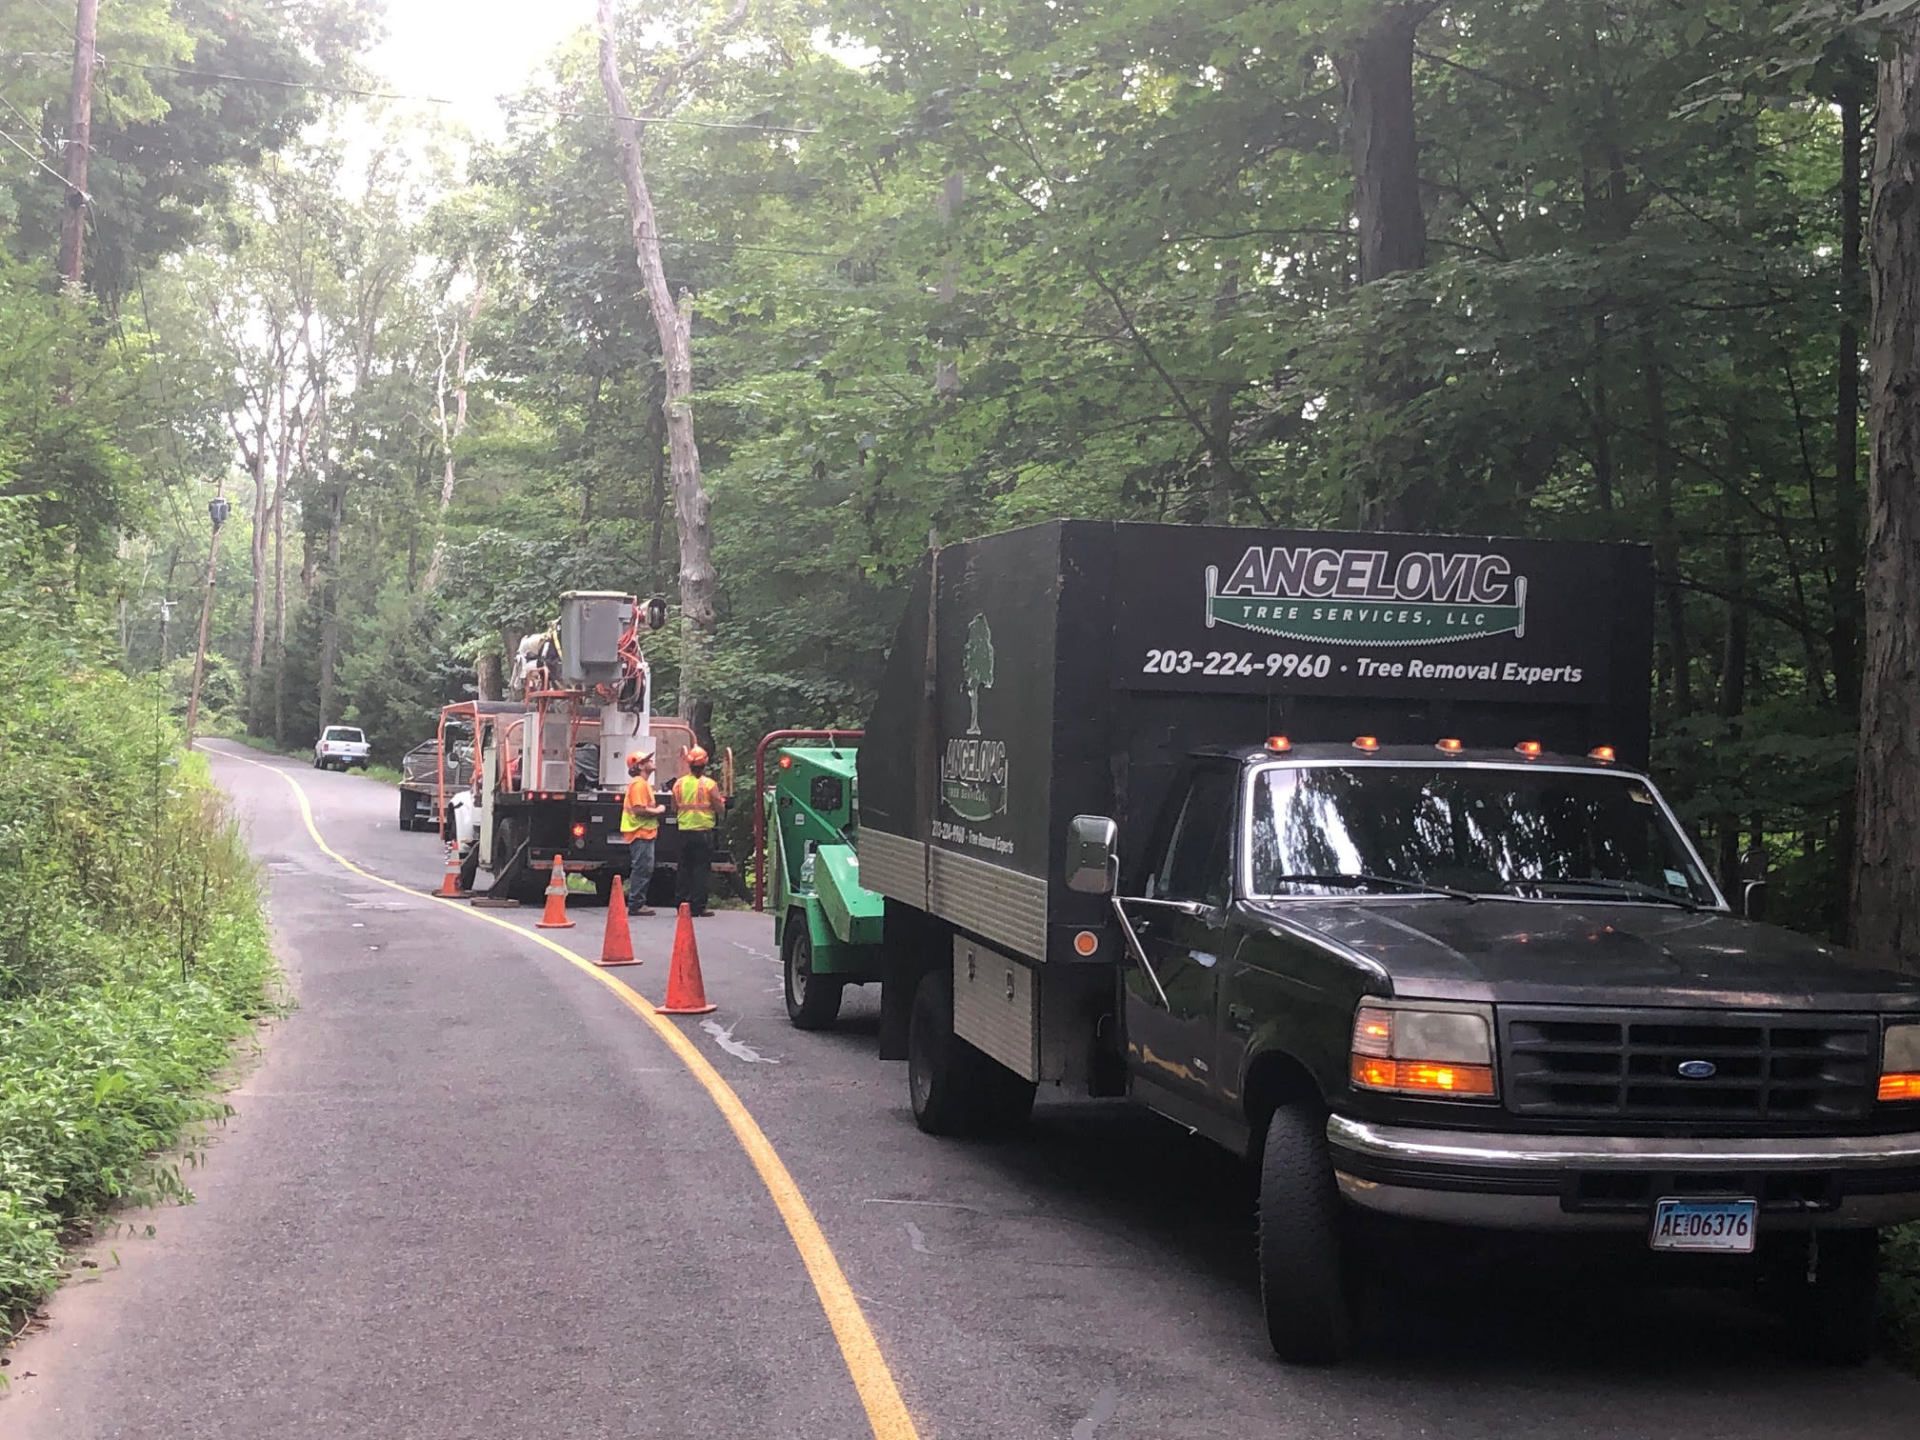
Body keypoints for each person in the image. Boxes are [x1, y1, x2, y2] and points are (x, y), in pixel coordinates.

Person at [672, 746, 725, 917]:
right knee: (701, 870)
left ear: (688, 764)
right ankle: (697, 906)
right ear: (705, 764)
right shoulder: (709, 784)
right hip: (703, 832)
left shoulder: (679, 784)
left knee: (683, 868)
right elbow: (719, 807)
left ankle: (681, 904)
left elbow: (674, 806)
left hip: (683, 831)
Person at [620, 750, 666, 916]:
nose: (651, 762)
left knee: (644, 868)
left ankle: (638, 903)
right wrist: (658, 810)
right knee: (642, 868)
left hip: (644, 832)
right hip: (639, 832)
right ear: (640, 766)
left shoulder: (643, 783)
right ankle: (636, 904)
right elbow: (639, 809)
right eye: (647, 760)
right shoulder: (639, 784)